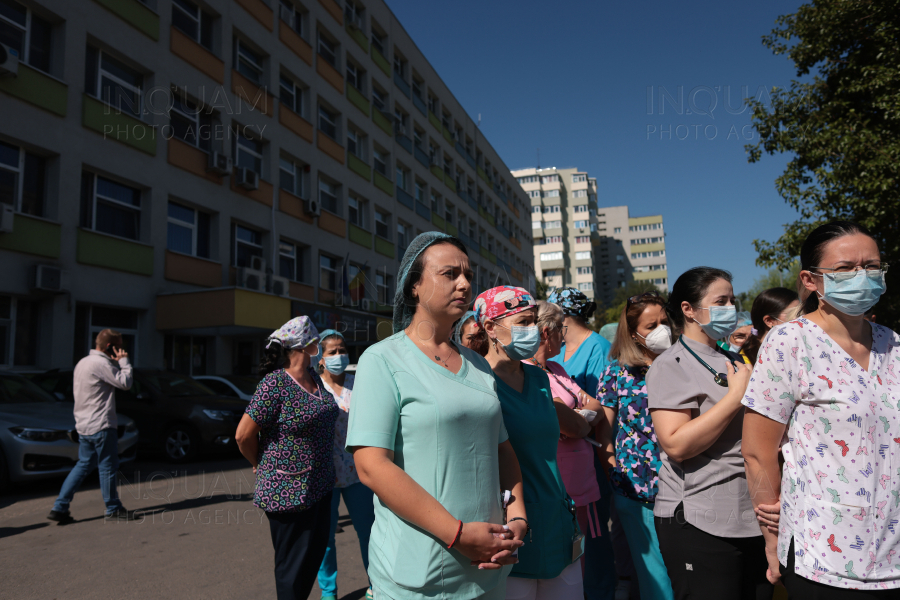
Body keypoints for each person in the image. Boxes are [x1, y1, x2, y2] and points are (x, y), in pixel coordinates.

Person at [346, 232, 526, 600]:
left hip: (488, 570)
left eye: (468, 275)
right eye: (449, 274)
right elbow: (371, 466)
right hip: (419, 578)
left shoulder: (479, 365)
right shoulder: (382, 360)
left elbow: (503, 450)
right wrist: (458, 534)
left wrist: (518, 518)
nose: (464, 284)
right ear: (414, 286)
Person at [742, 221, 900, 596]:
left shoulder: (893, 344)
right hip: (824, 558)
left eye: (872, 266)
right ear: (811, 281)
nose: (862, 276)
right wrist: (771, 540)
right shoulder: (789, 343)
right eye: (846, 268)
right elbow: (757, 453)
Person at [648, 267, 773, 600]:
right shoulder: (670, 365)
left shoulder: (733, 360)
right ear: (688, 310)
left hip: (751, 516)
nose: (731, 308)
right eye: (721, 301)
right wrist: (734, 397)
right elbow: (676, 444)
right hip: (699, 521)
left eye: (733, 300)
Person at [472, 286, 586, 600]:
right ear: (491, 328)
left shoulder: (538, 379)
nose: (531, 331)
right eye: (522, 322)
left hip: (557, 519)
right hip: (509, 528)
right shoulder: (475, 383)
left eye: (533, 322)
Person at [235, 316, 337, 600]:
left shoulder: (314, 378)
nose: (318, 344)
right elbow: (243, 436)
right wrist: (258, 463)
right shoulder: (275, 384)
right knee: (292, 570)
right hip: (288, 491)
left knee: (312, 558)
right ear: (303, 344)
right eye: (315, 339)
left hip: (320, 486)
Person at [595, 291, 674, 600]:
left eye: (664, 322)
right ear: (632, 332)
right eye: (651, 325)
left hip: (687, 487)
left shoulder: (682, 363)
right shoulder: (616, 372)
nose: (661, 331)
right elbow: (603, 432)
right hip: (637, 491)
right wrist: (613, 471)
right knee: (657, 582)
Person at [548, 287, 620, 600]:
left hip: (590, 451)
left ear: (560, 313)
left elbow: (604, 407)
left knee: (594, 533)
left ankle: (600, 590)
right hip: (562, 458)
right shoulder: (555, 352)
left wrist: (577, 423)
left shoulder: (598, 348)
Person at [527, 300, 606, 577]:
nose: (565, 335)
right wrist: (578, 418)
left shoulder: (556, 369)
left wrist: (575, 416)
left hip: (580, 482)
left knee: (580, 560)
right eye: (561, 328)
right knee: (562, 563)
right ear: (547, 332)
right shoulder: (527, 372)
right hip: (559, 484)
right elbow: (570, 423)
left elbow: (595, 406)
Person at [47, 329, 134, 522]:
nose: (122, 351)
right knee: (108, 467)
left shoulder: (83, 362)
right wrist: (124, 362)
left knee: (83, 465)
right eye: (120, 347)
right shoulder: (101, 363)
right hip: (101, 425)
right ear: (110, 347)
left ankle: (60, 507)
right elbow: (126, 383)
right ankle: (113, 508)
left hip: (84, 425)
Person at [314, 329, 375, 600]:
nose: (340, 355)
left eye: (342, 350)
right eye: (333, 352)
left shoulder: (359, 383)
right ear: (320, 358)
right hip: (323, 475)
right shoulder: (313, 387)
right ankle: (329, 592)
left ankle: (377, 583)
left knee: (370, 532)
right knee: (325, 539)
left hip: (358, 473)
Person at [740, 287, 800, 365]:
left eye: (802, 312)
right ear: (769, 321)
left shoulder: (797, 347)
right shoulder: (745, 360)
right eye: (794, 313)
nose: (801, 318)